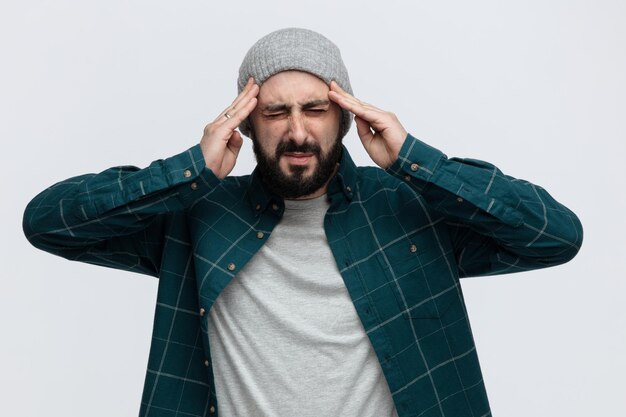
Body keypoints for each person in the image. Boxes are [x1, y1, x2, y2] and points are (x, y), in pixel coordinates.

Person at [23, 28, 583, 417]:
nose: (297, 131)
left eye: (315, 109)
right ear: (246, 121)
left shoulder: (407, 207)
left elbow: (556, 235)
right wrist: (190, 170)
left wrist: (415, 158)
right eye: (275, 111)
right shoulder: (199, 214)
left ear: (345, 115)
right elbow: (47, 221)